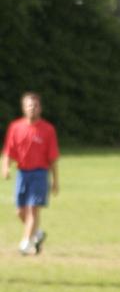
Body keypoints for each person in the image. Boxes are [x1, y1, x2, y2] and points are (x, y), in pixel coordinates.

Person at [2, 92, 59, 256]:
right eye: (29, 105)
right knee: (20, 211)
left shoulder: (48, 129)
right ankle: (37, 233)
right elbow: (9, 151)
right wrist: (5, 167)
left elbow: (53, 157)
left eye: (35, 105)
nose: (32, 108)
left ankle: (25, 243)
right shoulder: (15, 127)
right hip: (22, 173)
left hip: (40, 173)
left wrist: (55, 180)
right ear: (23, 108)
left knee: (32, 209)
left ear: (40, 108)